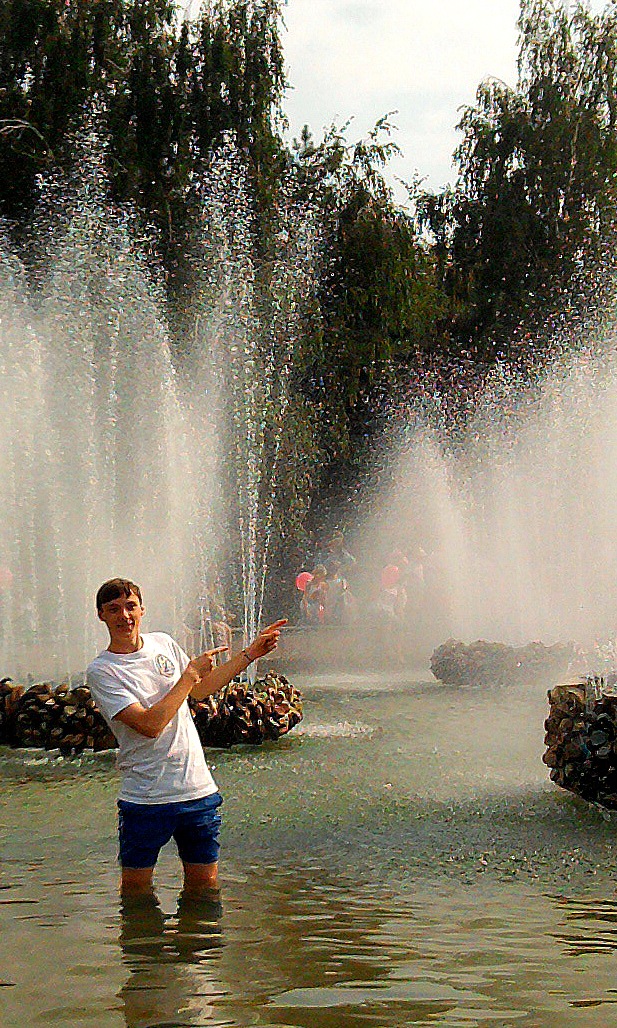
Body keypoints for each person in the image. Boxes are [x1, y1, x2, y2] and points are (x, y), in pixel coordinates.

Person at [86, 577, 286, 899]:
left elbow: (200, 690)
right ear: (101, 615)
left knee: (205, 888)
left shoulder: (163, 644)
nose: (124, 615)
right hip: (146, 799)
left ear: (142, 609)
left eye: (130, 606)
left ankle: (196, 934)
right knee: (136, 892)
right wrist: (190, 675)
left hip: (198, 791)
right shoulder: (103, 670)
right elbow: (151, 724)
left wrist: (250, 653)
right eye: (113, 609)